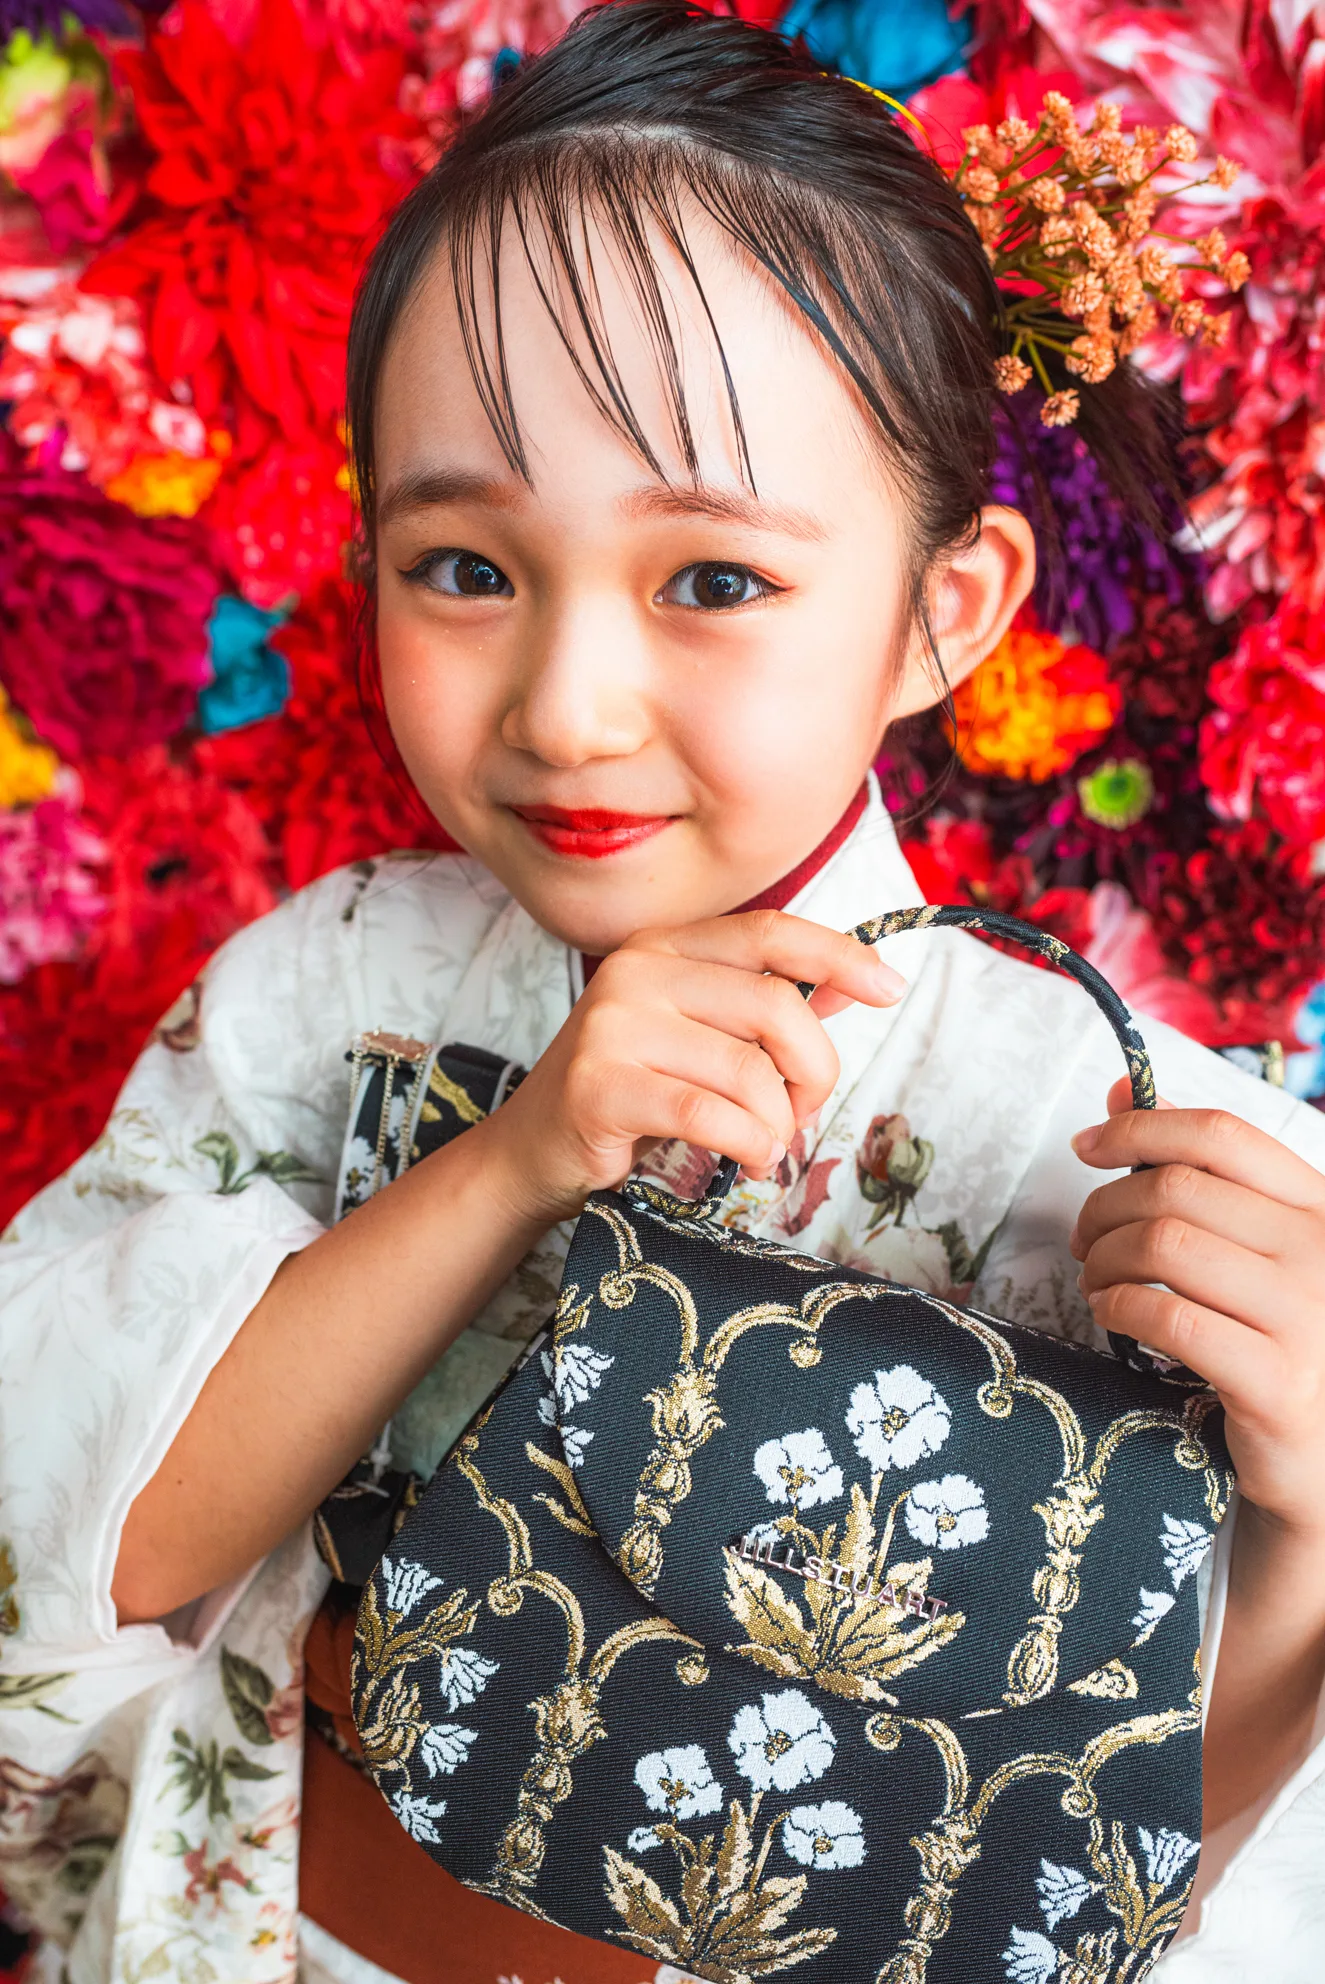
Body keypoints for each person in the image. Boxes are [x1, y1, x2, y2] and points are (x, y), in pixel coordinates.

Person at [2, 6, 1323, 1981]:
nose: (564, 707)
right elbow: (83, 1544)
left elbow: (1134, 1868)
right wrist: (514, 1155)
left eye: (710, 580)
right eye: (463, 566)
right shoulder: (328, 991)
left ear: (942, 611)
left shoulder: (1114, 1142)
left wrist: (1309, 1511)